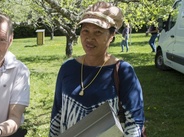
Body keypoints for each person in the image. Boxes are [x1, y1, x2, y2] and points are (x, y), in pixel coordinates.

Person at [49, 2, 145, 137]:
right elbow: (57, 114)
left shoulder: (123, 72)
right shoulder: (67, 68)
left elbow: (135, 123)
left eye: (98, 32)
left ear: (111, 36)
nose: (89, 38)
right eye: (85, 31)